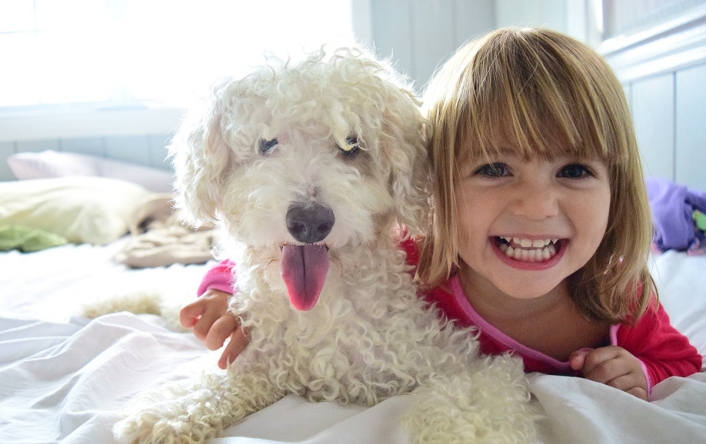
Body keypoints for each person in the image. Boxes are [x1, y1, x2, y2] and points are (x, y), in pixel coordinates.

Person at [179, 27, 702, 400]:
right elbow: (297, 252)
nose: (537, 206)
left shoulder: (621, 299)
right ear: (438, 182)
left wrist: (641, 373)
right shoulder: (417, 260)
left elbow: (683, 364)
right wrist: (223, 288)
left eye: (575, 171)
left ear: (620, 187)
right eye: (496, 169)